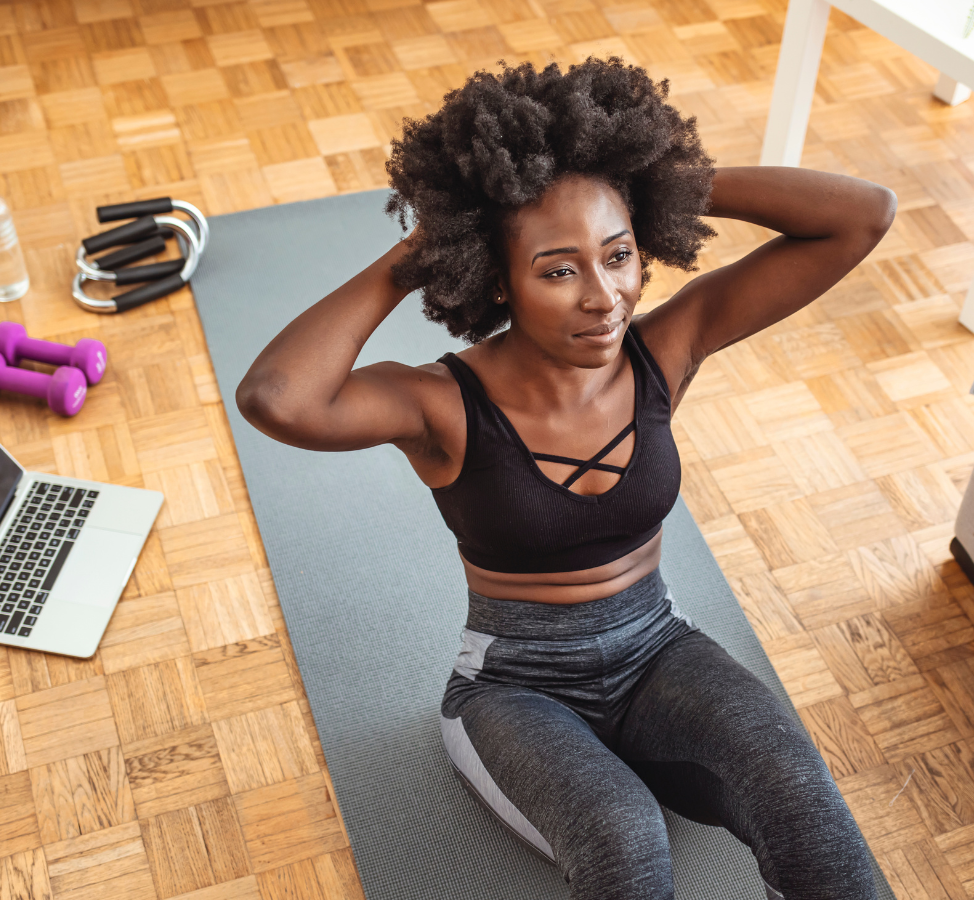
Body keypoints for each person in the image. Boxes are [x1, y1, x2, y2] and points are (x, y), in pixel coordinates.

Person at [237, 57, 895, 900]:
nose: (605, 297)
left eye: (618, 254)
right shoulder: (443, 404)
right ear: (496, 275)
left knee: (805, 802)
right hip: (515, 690)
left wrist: (661, 180)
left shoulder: (665, 349)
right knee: (627, 845)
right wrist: (418, 255)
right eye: (558, 269)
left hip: (660, 655)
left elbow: (862, 218)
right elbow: (278, 398)